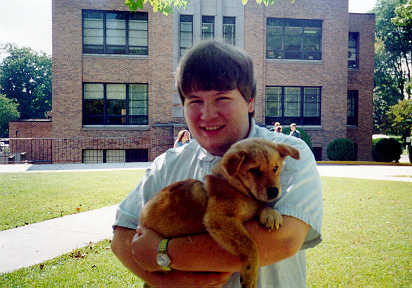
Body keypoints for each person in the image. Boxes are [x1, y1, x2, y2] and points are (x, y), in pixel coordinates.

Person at [111, 40, 323, 288]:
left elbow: (281, 241)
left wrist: (162, 252)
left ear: (250, 101)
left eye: (222, 98)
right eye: (195, 101)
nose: (207, 114)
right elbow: (122, 237)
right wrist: (173, 283)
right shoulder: (168, 164)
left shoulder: (285, 155)